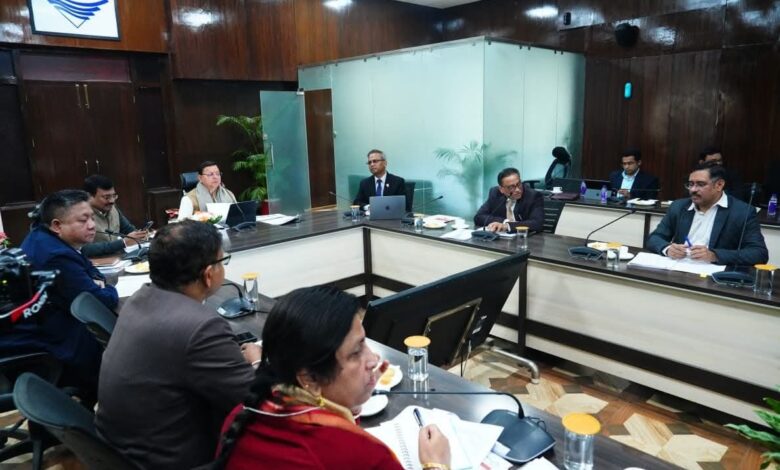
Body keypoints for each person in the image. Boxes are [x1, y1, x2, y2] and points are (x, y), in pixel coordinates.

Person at [213, 285, 451, 469]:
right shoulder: (362, 455)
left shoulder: (240, 416)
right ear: (309, 378)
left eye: (365, 343)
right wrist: (435, 463)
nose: (374, 359)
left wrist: (347, 405)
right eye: (356, 351)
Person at [96, 220, 260, 470]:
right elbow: (253, 400)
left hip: (121, 449)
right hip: (171, 459)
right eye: (222, 261)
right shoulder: (202, 327)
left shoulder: (139, 298)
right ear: (208, 274)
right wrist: (256, 360)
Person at [0, 190, 117, 402]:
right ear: (56, 225)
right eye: (83, 220)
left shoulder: (45, 237)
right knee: (118, 341)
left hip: (43, 324)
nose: (92, 225)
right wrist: (109, 288)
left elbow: (93, 273)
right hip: (48, 338)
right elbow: (100, 300)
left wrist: (98, 283)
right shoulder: (55, 255)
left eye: (92, 217)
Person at [647, 164, 768, 266]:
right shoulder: (678, 207)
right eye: (690, 184)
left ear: (719, 185)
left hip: (714, 274)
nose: (693, 190)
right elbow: (654, 238)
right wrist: (668, 249)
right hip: (679, 268)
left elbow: (759, 253)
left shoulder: (742, 212)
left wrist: (714, 255)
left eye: (700, 184)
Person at [80, 174, 148, 258]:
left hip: (118, 258)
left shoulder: (112, 208)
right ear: (89, 196)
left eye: (114, 196)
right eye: (106, 197)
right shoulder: (81, 215)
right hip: (95, 261)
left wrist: (139, 235)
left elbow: (128, 229)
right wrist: (123, 243)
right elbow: (84, 249)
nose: (112, 201)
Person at [474, 167, 544, 233]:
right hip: (500, 238)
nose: (517, 190)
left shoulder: (533, 196)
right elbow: (478, 217)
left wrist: (507, 226)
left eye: (519, 184)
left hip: (525, 238)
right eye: (511, 187)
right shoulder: (495, 193)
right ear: (501, 189)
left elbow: (537, 223)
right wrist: (503, 222)